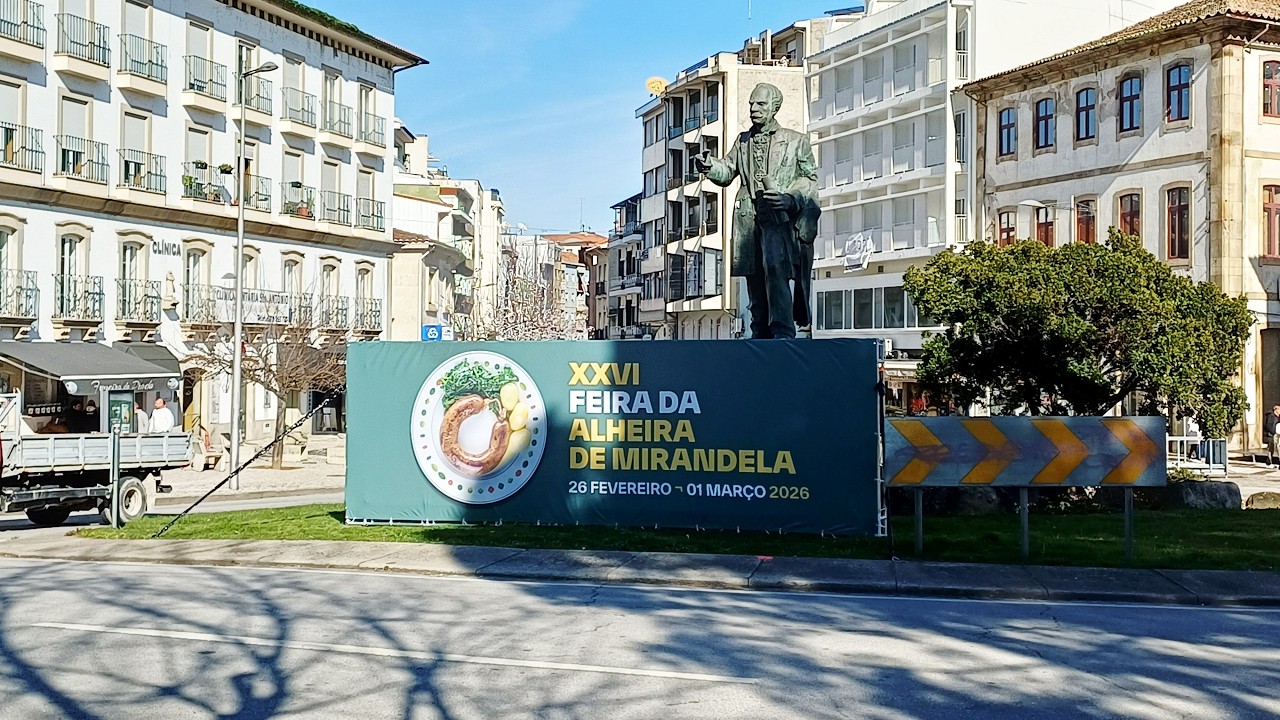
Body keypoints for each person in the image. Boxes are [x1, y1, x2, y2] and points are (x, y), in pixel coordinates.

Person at [695, 83, 820, 339]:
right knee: (754, 276)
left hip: (778, 217)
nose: (753, 109)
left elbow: (809, 179)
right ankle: (759, 331)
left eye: (760, 104)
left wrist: (790, 199)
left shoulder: (796, 141)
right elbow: (727, 170)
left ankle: (782, 331)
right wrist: (709, 166)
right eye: (751, 104)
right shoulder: (743, 141)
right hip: (748, 217)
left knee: (775, 268)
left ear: (775, 107)